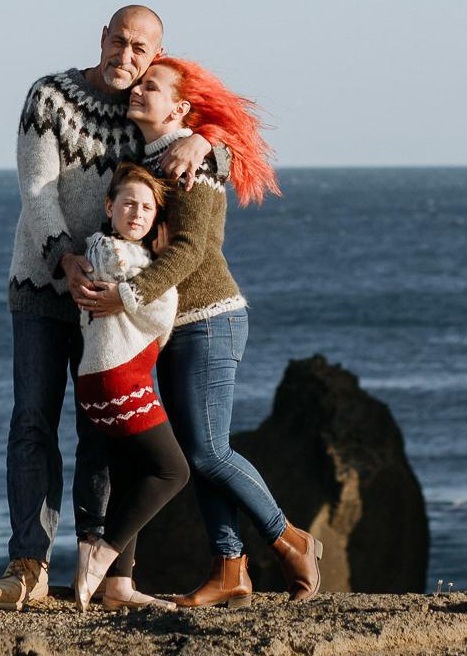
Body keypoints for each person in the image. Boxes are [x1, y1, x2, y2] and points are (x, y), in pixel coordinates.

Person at [0, 6, 220, 612]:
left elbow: (211, 135)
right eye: (121, 41)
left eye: (143, 50)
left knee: (104, 433)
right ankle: (28, 565)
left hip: (108, 304)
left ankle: (102, 571)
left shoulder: (145, 106)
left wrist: (202, 137)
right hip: (44, 287)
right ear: (102, 38)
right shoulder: (51, 96)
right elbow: (36, 189)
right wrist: (65, 260)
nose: (129, 57)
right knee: (34, 422)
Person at [69, 55, 322, 605]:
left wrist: (126, 296)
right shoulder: (157, 158)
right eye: (138, 86)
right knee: (200, 448)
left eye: (151, 87)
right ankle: (230, 568)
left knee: (205, 454)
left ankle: (289, 539)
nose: (138, 92)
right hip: (178, 325)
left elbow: (191, 249)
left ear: (181, 107)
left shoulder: (190, 160)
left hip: (210, 319)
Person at [65, 163, 190, 609]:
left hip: (98, 379)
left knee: (131, 473)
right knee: (173, 471)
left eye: (147, 207)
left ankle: (118, 586)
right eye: (128, 203)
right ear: (109, 206)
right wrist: (159, 285)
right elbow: (160, 314)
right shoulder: (122, 257)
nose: (137, 213)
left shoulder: (97, 250)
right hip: (120, 379)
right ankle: (104, 552)